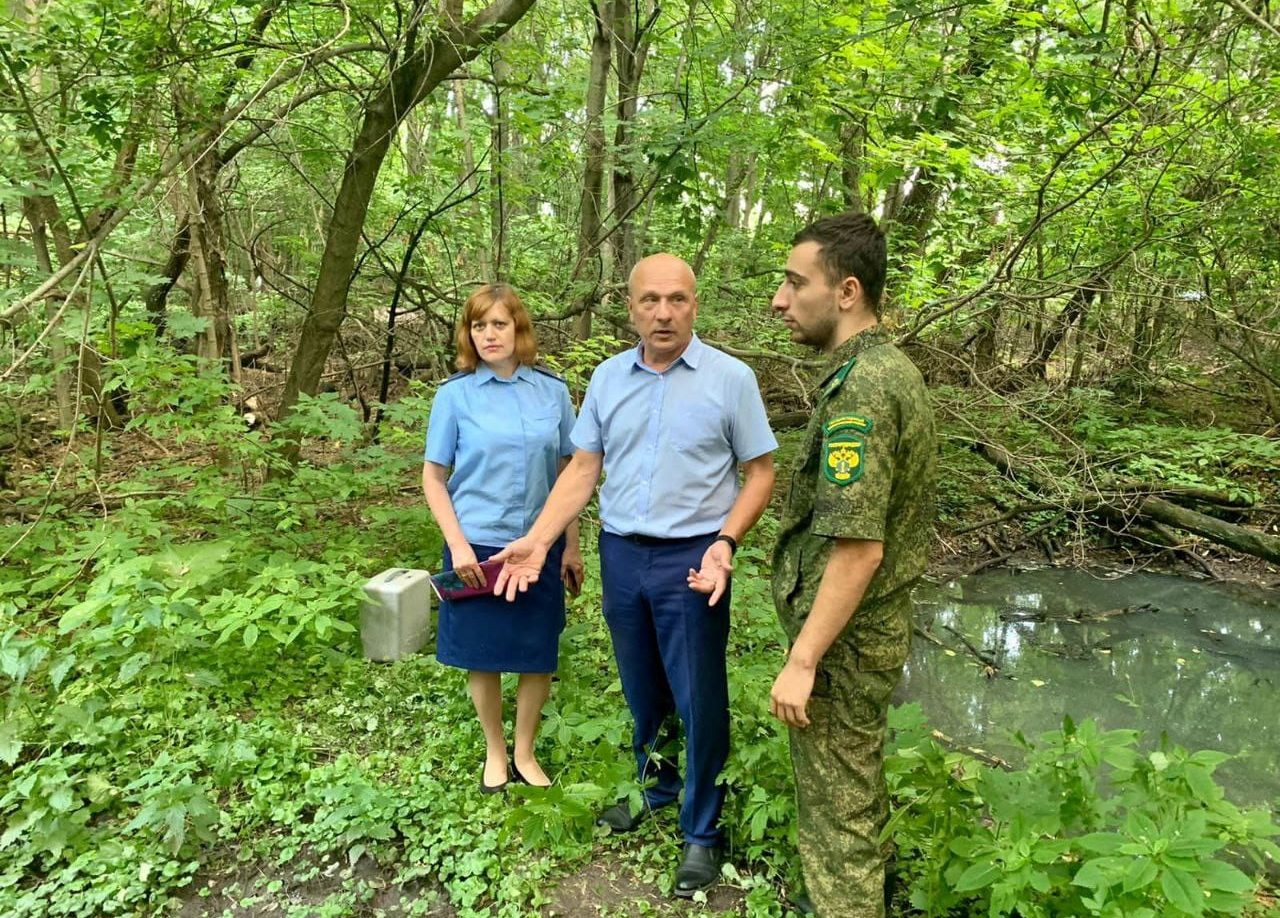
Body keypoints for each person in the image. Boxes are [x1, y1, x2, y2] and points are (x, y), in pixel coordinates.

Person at [492, 254, 777, 896]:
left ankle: (700, 830)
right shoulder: (607, 379)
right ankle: (658, 785)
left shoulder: (730, 379)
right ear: (631, 308)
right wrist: (538, 541)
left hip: (694, 558)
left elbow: (760, 472)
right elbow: (583, 468)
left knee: (698, 692)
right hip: (622, 552)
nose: (664, 312)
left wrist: (727, 541)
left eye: (677, 299)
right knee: (642, 682)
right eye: (650, 300)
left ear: (695, 305)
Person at [764, 213, 937, 918]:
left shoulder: (864, 390)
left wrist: (804, 658)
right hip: (864, 634)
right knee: (855, 789)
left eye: (794, 281)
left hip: (843, 643)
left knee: (840, 812)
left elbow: (859, 546)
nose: (779, 299)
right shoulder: (882, 370)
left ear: (847, 291)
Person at [421, 283, 585, 794]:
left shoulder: (553, 392)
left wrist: (571, 545)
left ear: (519, 329)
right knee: (483, 652)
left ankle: (525, 750)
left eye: (499, 324)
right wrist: (461, 546)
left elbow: (569, 473)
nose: (489, 335)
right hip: (477, 545)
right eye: (478, 325)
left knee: (537, 651)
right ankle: (495, 750)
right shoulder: (455, 396)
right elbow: (433, 477)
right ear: (468, 334)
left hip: (539, 544)